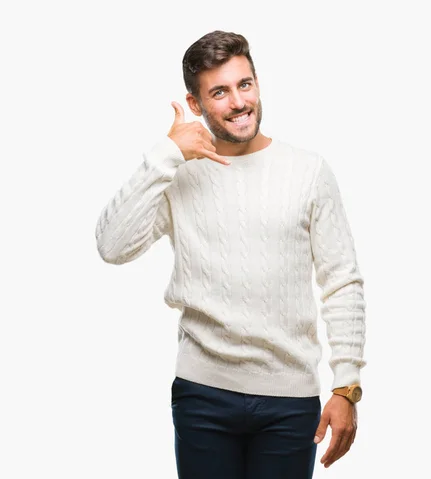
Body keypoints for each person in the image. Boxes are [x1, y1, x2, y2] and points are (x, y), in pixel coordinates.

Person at [95, 30, 366, 479]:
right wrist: (165, 154)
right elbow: (112, 247)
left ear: (257, 84)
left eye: (245, 84)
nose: (239, 102)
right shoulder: (179, 173)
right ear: (197, 105)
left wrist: (346, 385)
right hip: (203, 395)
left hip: (290, 400)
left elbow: (342, 282)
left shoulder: (308, 171)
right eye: (219, 92)